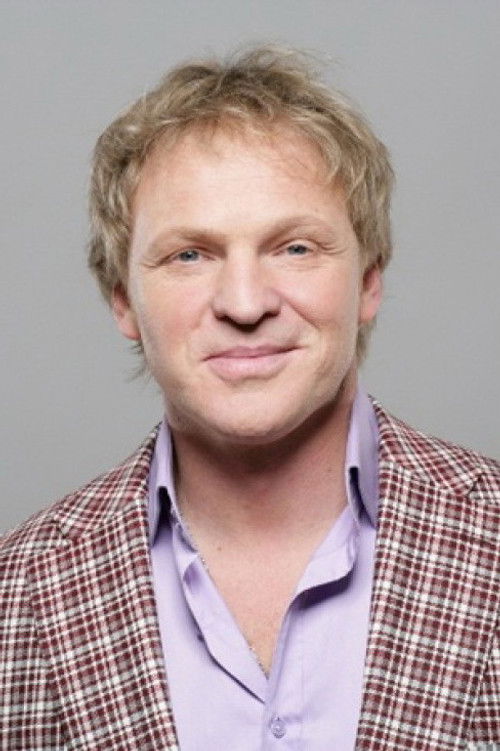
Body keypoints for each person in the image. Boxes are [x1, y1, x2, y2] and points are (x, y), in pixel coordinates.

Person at [1, 46, 498, 751]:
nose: (243, 303)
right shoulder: (18, 591)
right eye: (189, 255)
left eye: (294, 248)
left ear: (369, 281)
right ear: (123, 300)